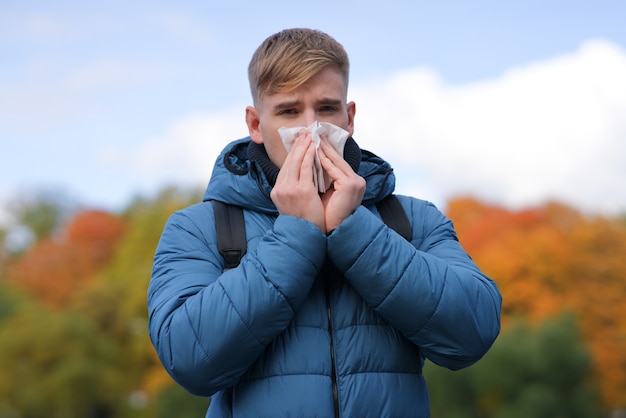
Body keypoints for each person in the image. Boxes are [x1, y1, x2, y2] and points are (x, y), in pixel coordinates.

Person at [148, 28, 502, 417]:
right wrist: (297, 234)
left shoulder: (411, 219)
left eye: (327, 109)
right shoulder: (200, 227)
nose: (311, 130)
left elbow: (474, 333)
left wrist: (354, 230)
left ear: (349, 118)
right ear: (255, 124)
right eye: (289, 111)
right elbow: (188, 359)